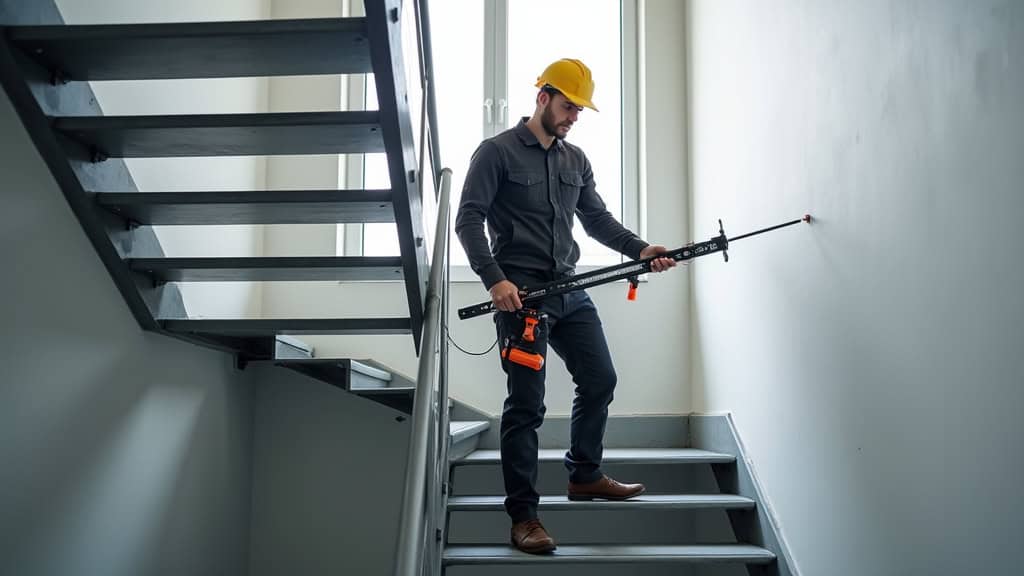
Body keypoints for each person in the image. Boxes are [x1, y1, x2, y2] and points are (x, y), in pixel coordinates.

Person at [455, 58, 678, 554]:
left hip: (569, 290)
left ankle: (584, 475)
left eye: (579, 109)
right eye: (567, 106)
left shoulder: (575, 159)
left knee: (600, 379)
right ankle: (525, 518)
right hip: (522, 298)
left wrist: (642, 250)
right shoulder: (496, 153)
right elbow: (468, 220)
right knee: (526, 406)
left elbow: (597, 220)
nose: (573, 116)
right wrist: (495, 280)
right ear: (542, 97)